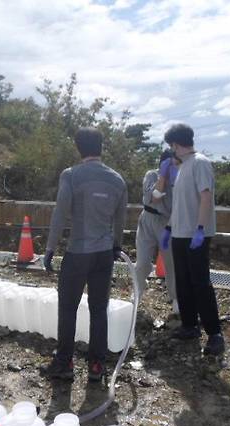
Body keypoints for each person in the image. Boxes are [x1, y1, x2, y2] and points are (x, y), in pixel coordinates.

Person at [41, 127, 128, 381]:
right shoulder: (117, 180)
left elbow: (59, 214)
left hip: (78, 253)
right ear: (101, 146)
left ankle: (65, 364)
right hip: (104, 254)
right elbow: (121, 219)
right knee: (99, 309)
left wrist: (49, 248)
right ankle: (97, 367)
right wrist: (116, 245)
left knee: (68, 308)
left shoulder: (71, 175)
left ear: (78, 148)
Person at [162, 123, 225, 355]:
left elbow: (205, 197)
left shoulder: (200, 163)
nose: (172, 150)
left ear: (176, 144)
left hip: (194, 234)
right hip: (179, 233)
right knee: (183, 281)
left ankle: (215, 333)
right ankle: (190, 325)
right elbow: (180, 205)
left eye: (172, 145)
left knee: (200, 283)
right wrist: (169, 228)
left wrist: (200, 228)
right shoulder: (183, 167)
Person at [134, 149, 178, 312]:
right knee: (143, 262)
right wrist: (163, 176)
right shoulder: (152, 175)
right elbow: (154, 197)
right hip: (147, 220)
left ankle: (175, 297)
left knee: (171, 263)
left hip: (168, 222)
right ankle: (138, 289)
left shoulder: (179, 179)